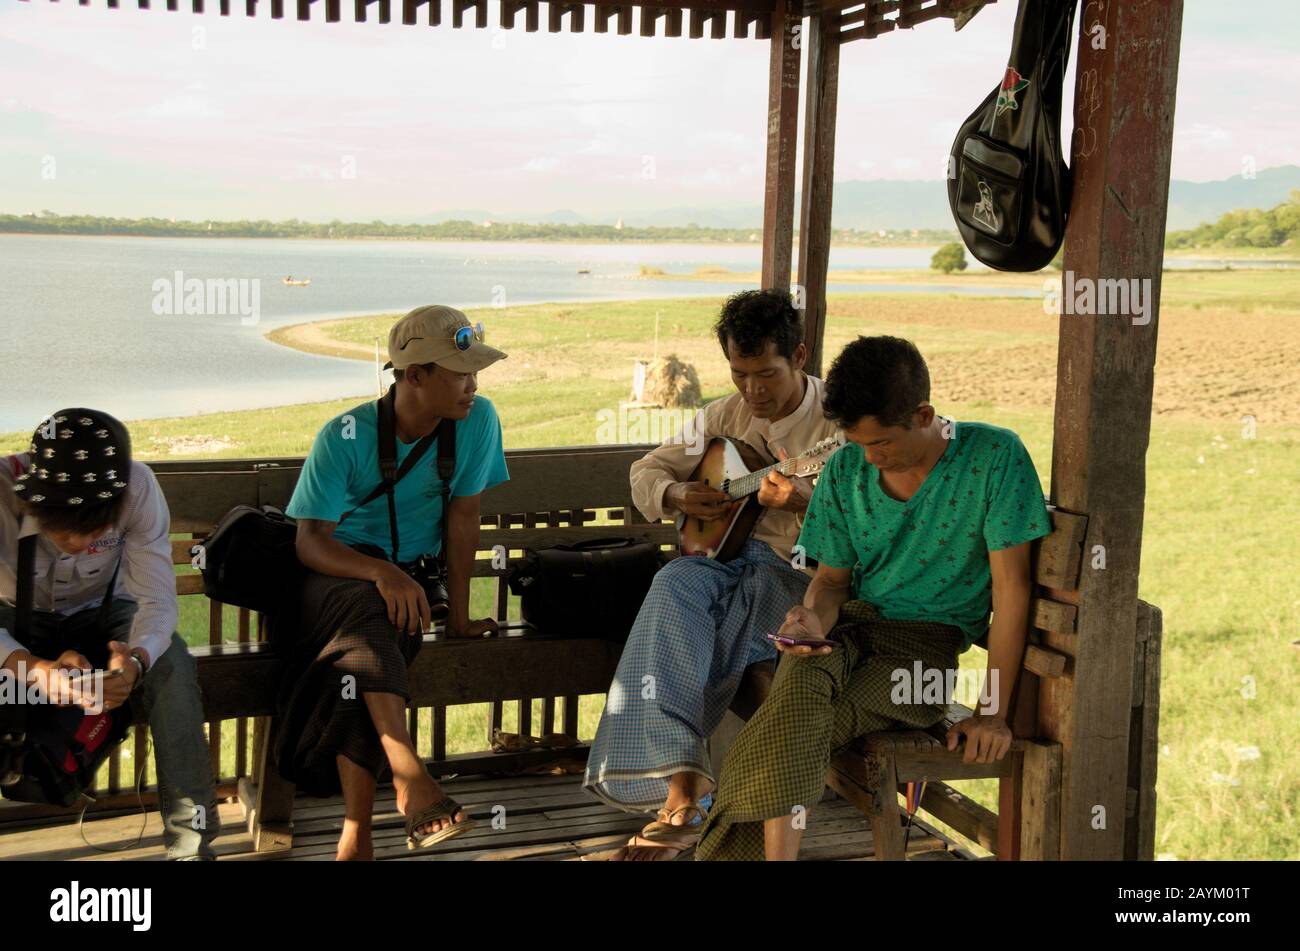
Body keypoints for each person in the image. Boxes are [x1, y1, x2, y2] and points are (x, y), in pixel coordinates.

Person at [695, 335, 1053, 860]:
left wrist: (992, 711)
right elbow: (831, 583)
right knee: (800, 680)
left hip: (923, 659)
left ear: (924, 414)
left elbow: (1012, 590)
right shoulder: (845, 471)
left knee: (789, 725)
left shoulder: (994, 458)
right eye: (858, 443)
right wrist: (809, 621)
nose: (869, 457)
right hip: (848, 633)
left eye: (881, 443)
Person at [583, 289, 840, 860]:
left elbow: (865, 513)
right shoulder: (724, 416)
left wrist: (802, 502)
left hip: (801, 578)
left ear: (799, 356)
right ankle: (685, 786)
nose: (753, 391)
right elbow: (647, 469)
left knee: (735, 603)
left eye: (766, 374)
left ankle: (683, 793)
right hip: (723, 562)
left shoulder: (837, 422)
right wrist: (677, 491)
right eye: (740, 374)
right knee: (671, 585)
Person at [274, 304, 508, 860]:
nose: (472, 385)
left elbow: (463, 517)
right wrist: (381, 572)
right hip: (336, 575)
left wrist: (456, 612)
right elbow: (311, 542)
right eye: (458, 372)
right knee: (371, 611)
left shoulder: (477, 420)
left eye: (475, 371)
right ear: (413, 375)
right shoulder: (345, 435)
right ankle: (406, 774)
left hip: (402, 588)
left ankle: (360, 827)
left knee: (367, 649)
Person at [0, 409, 220, 860]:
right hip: (8, 619)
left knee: (172, 667)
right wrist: (31, 669)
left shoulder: (137, 487)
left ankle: (191, 848)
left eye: (95, 531)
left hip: (100, 617)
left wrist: (136, 660)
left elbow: (156, 602)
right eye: (63, 528)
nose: (79, 544)